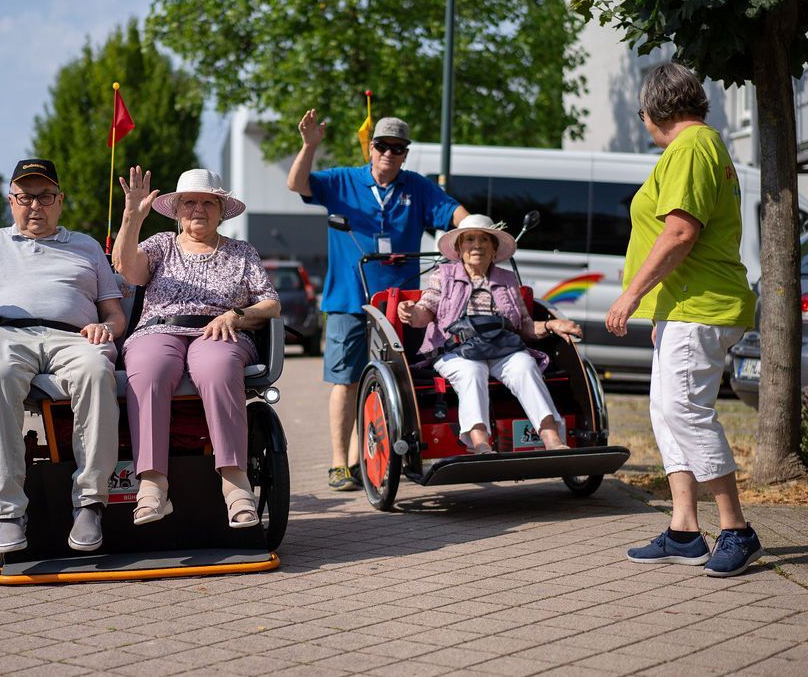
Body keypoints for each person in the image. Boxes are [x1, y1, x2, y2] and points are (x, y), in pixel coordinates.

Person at [607, 63, 762, 577]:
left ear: (655, 109)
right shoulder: (693, 149)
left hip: (703, 306)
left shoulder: (692, 148)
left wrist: (630, 296)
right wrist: (661, 310)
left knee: (686, 411)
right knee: (666, 411)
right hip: (684, 307)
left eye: (641, 113)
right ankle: (683, 530)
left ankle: (737, 529)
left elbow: (678, 233)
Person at [0, 158, 125, 554]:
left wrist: (109, 328)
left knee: (97, 371)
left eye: (45, 196)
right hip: (10, 335)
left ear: (60, 200)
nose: (35, 205)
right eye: (25, 197)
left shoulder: (86, 246)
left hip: (75, 337)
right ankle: (9, 511)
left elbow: (115, 313)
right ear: (11, 201)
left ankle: (89, 502)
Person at [287, 112, 468, 490]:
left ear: (405, 154)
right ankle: (340, 463)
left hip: (398, 303)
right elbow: (297, 184)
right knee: (346, 380)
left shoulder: (416, 187)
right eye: (383, 146)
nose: (389, 153)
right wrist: (309, 146)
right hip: (347, 300)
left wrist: (475, 231)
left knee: (391, 381)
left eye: (398, 149)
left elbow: (453, 213)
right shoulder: (342, 180)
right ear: (371, 148)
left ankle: (363, 459)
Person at [112, 166, 280, 527]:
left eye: (207, 202)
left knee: (217, 367)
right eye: (189, 202)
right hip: (159, 330)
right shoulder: (160, 244)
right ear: (177, 210)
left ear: (221, 209)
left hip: (220, 331)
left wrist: (236, 314)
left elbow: (271, 303)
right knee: (149, 369)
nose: (198, 209)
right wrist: (132, 218)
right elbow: (127, 269)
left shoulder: (242, 252)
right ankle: (152, 486)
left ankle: (235, 486)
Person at [398, 214, 581, 453]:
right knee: (472, 371)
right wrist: (411, 312)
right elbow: (425, 311)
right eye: (470, 239)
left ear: (494, 248)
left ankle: (552, 439)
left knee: (525, 365)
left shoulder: (507, 279)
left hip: (501, 348)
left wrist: (551, 325)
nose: (477, 245)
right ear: (459, 247)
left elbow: (524, 325)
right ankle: (481, 444)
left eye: (484, 240)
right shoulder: (443, 275)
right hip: (456, 350)